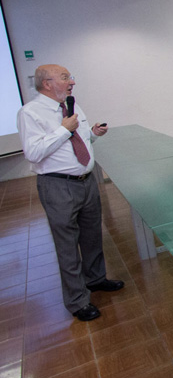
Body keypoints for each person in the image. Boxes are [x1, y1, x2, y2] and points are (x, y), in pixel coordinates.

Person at [17, 64, 119, 321]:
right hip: (58, 186)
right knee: (67, 245)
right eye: (65, 77)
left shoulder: (72, 106)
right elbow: (33, 152)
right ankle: (77, 301)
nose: (72, 82)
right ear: (47, 83)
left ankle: (96, 279)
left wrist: (93, 134)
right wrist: (64, 129)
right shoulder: (30, 113)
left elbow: (80, 141)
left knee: (92, 236)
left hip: (86, 181)